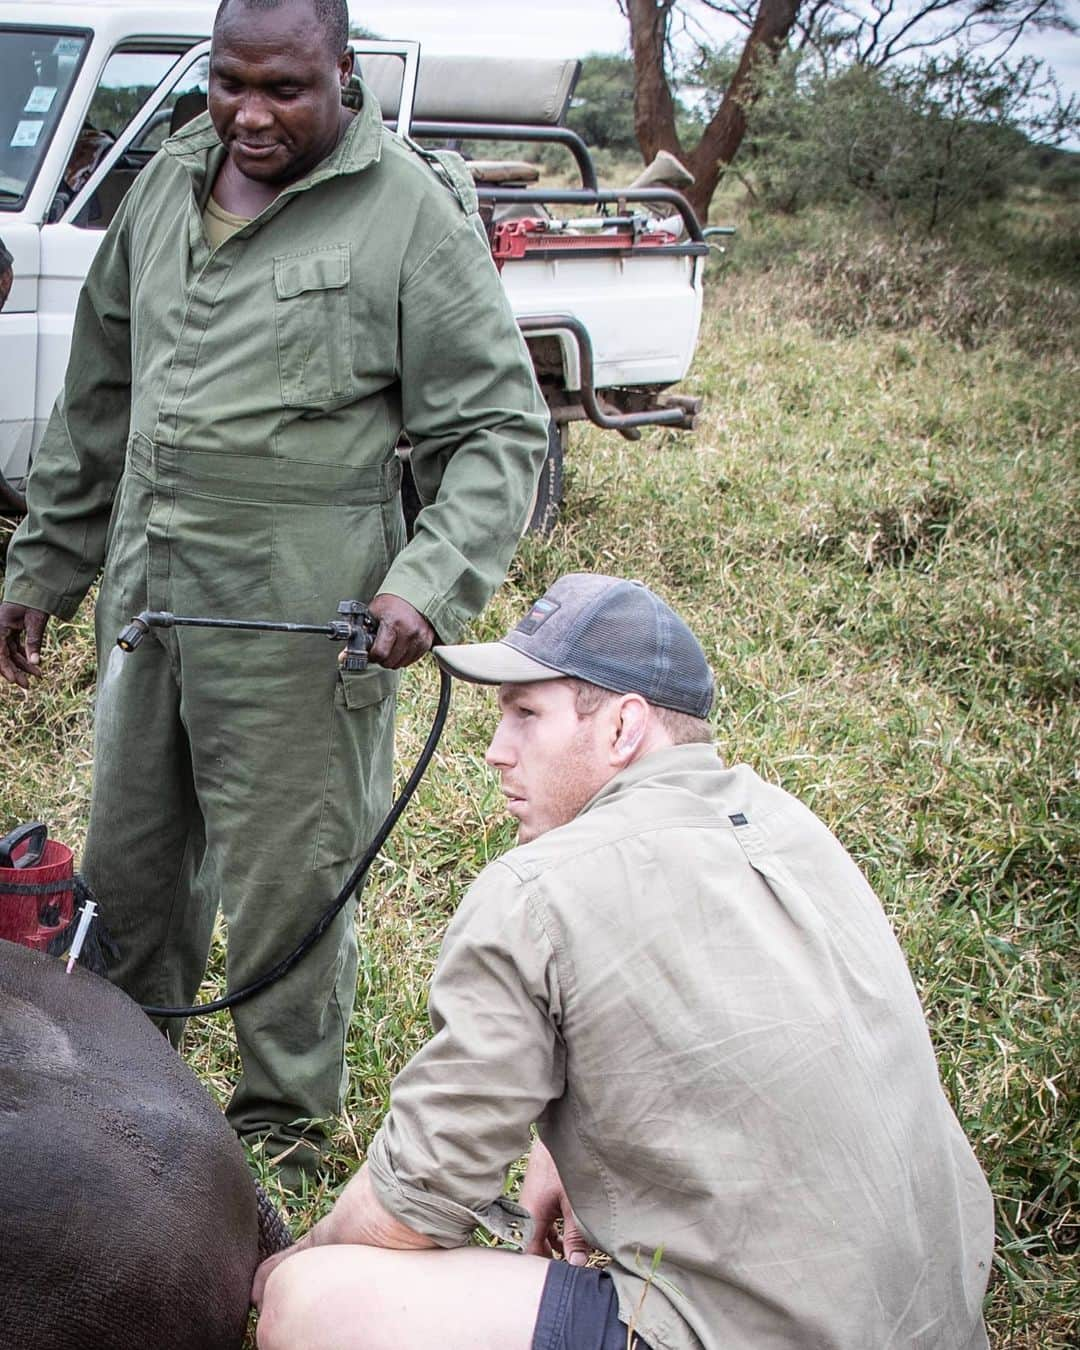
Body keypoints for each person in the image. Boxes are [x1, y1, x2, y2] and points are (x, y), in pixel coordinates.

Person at [0, 0, 547, 1185]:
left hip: (306, 607)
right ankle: (124, 1101)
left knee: (290, 881)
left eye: (285, 88)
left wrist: (426, 584)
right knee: (131, 867)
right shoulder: (163, 185)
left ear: (341, 72)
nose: (252, 113)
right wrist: (47, 560)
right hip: (150, 593)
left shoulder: (406, 211)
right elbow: (98, 395)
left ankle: (281, 1137)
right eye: (229, 83)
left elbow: (499, 429)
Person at [251, 572, 995, 1350]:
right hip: (934, 1318)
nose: (496, 753)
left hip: (762, 1335)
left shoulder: (536, 891)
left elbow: (415, 1201)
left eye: (525, 716)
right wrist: (557, 1148)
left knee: (312, 1304)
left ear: (623, 728)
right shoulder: (785, 819)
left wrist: (294, 1259)